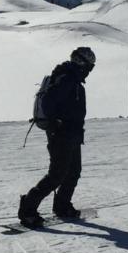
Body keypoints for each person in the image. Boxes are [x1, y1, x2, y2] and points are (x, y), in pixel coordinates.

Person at [19, 46, 96, 228]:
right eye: (89, 64)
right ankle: (27, 209)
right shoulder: (67, 78)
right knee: (57, 175)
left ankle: (62, 205)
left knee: (73, 172)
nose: (90, 69)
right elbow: (49, 101)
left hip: (72, 134)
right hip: (61, 134)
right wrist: (56, 124)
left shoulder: (73, 78)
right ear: (81, 62)